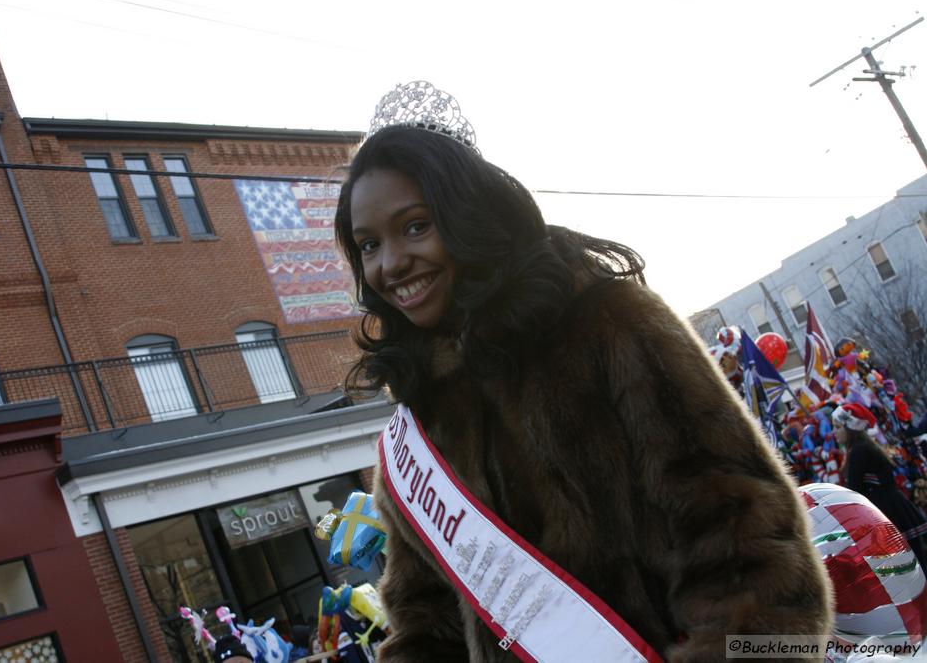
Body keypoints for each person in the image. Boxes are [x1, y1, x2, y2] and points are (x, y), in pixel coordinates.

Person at [335, 81, 832, 662]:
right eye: (368, 245)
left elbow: (751, 555)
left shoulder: (611, 326)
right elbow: (427, 629)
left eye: (415, 226)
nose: (391, 263)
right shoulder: (416, 434)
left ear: (468, 216)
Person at [835, 402, 927, 568]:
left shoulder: (859, 451)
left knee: (910, 565)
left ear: (850, 427)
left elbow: (855, 490)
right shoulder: (863, 447)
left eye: (837, 427)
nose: (835, 432)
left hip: (887, 510)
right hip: (892, 505)